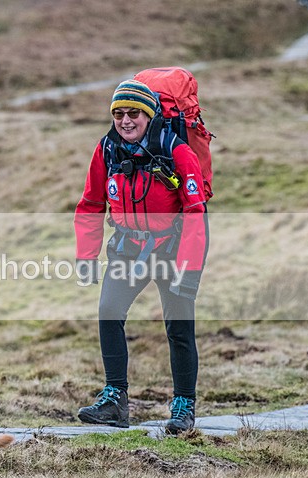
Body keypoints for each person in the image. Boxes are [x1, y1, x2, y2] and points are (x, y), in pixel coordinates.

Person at [73, 79, 209, 434]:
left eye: (133, 113)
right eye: (118, 114)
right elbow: (90, 203)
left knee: (179, 328)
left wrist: (190, 270)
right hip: (128, 248)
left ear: (149, 115)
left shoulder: (177, 151)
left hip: (172, 248)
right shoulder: (106, 149)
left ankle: (183, 407)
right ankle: (115, 400)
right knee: (108, 312)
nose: (125, 120)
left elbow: (196, 212)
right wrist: (85, 256)